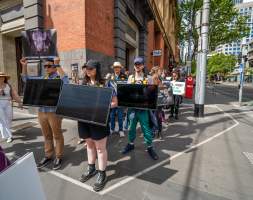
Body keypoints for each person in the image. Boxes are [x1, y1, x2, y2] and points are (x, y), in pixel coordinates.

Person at [20, 57, 69, 170]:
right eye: (45, 66)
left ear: (54, 66)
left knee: (57, 135)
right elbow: (26, 80)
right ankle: (48, 155)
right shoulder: (43, 78)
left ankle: (59, 156)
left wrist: (58, 65)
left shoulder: (58, 77)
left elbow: (66, 82)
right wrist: (24, 65)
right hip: (41, 111)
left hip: (54, 112)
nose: (46, 68)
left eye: (48, 66)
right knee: (46, 135)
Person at [78, 60, 118, 192]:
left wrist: (101, 107)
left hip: (99, 120)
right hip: (84, 120)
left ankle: (102, 173)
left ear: (97, 69)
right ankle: (91, 168)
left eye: (90, 69)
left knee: (100, 149)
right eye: (86, 69)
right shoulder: (83, 83)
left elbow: (115, 103)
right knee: (89, 145)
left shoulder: (106, 84)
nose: (87, 71)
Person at [121, 57, 159, 160]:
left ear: (143, 65)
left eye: (139, 64)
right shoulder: (130, 78)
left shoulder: (149, 78)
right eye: (136, 64)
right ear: (134, 66)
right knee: (131, 128)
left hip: (143, 109)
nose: (137, 66)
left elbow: (152, 93)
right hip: (132, 109)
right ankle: (131, 144)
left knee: (146, 129)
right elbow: (127, 92)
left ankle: (150, 147)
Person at [0, 72, 22, 143]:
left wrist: (19, 102)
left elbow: (14, 94)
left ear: (5, 78)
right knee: (3, 120)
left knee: (9, 119)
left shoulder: (8, 85)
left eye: (3, 77)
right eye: (0, 77)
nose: (1, 78)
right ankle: (8, 136)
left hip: (8, 103)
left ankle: (7, 131)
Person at [108, 61, 127, 137]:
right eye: (115, 67)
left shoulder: (124, 76)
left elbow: (126, 87)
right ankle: (112, 129)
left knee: (120, 116)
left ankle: (121, 130)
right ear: (113, 68)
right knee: (112, 116)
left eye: (118, 67)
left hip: (120, 99)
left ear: (120, 68)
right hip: (112, 99)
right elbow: (108, 87)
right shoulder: (110, 76)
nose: (116, 69)